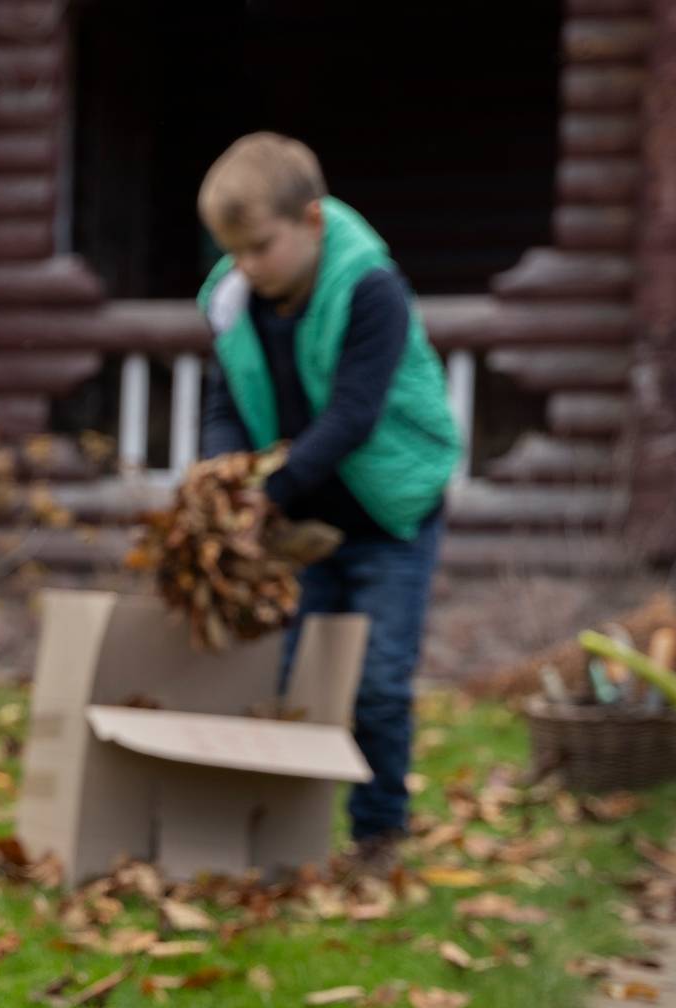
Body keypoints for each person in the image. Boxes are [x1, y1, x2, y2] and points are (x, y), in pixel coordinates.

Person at [193, 132, 462, 866]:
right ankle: (289, 836)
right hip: (301, 519)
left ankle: (379, 833)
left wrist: (271, 490)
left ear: (311, 219)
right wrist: (226, 474)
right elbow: (226, 405)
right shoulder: (235, 301)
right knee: (292, 674)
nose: (248, 267)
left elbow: (352, 416)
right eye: (234, 253)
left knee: (376, 683)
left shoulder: (370, 289)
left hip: (389, 516)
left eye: (260, 247)